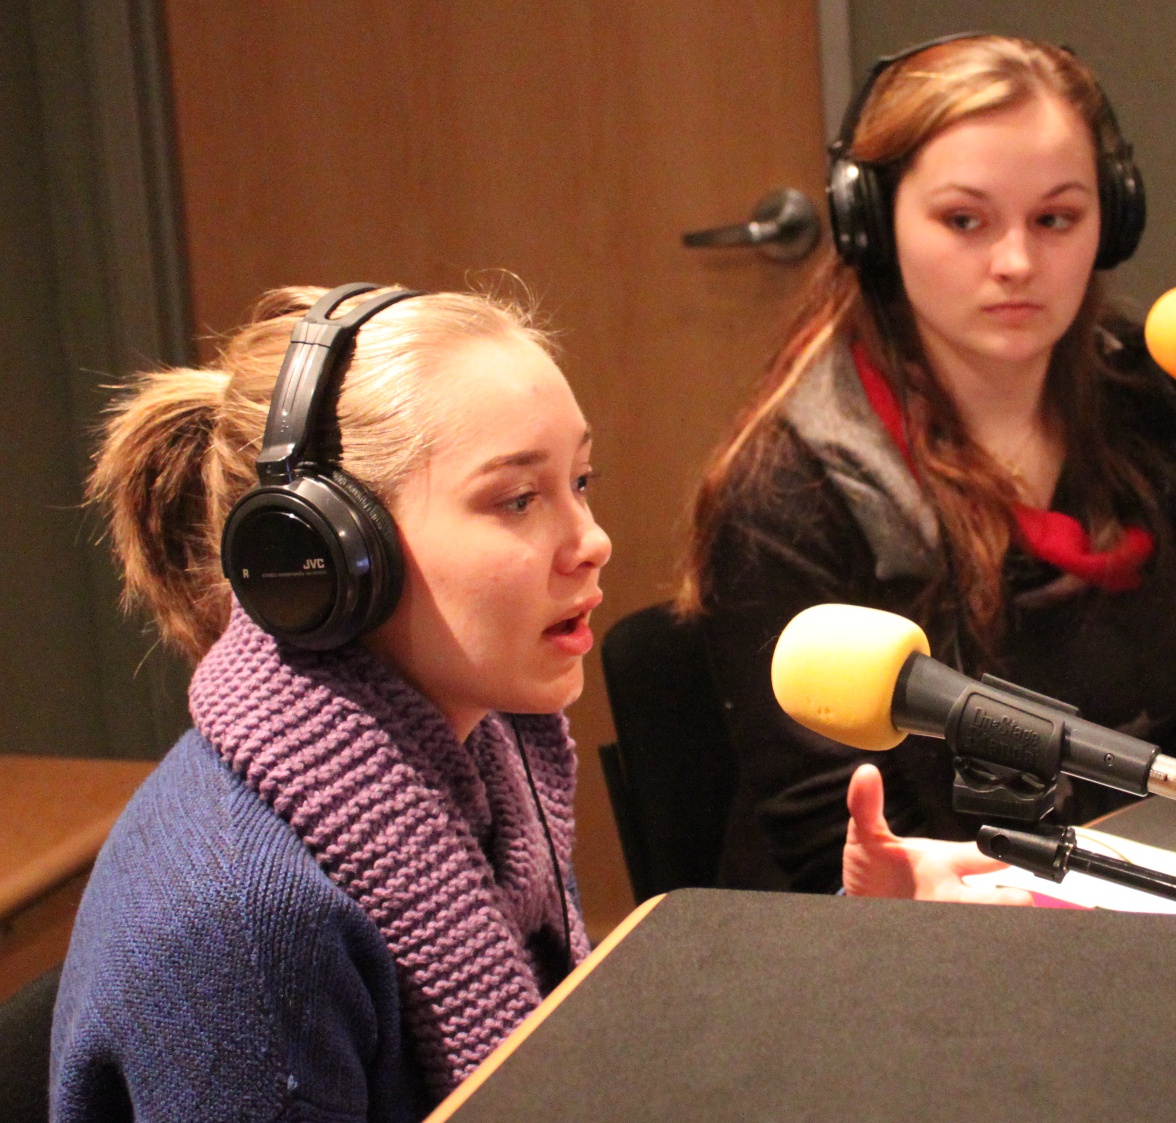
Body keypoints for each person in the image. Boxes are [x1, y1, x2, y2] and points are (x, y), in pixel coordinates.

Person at [53, 283, 1013, 1123]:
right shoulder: (251, 924)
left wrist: (860, 946)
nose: (589, 539)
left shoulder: (483, 757)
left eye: (579, 482)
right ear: (333, 556)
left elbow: (593, 1073)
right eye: (517, 499)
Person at [678, 35, 1176, 895]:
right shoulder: (788, 487)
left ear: (1109, 221)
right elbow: (830, 831)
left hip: (1171, 910)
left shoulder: (1166, 416)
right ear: (873, 222)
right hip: (913, 947)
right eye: (964, 219)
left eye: (1054, 218)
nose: (1015, 261)